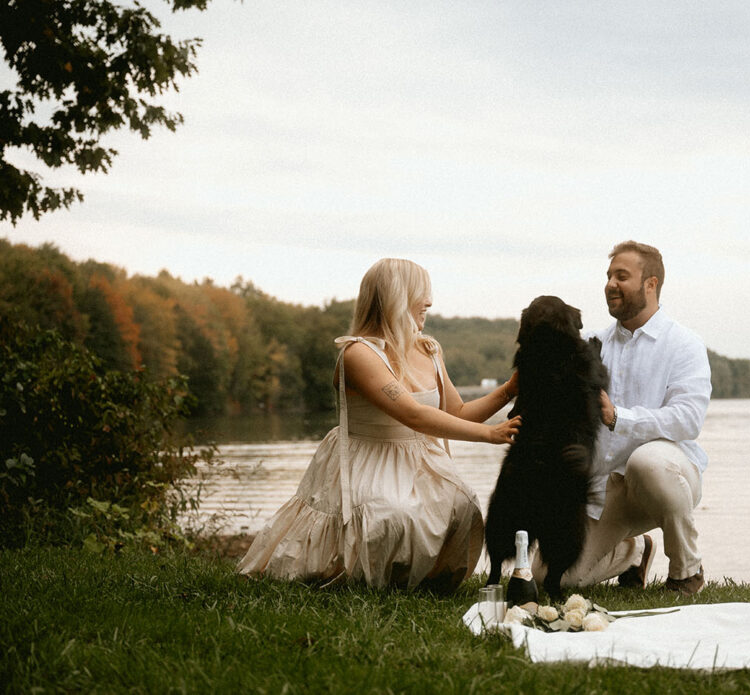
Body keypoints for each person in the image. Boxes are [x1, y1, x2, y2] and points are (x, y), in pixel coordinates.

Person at [237, 258, 521, 592]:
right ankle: (367, 581)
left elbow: (457, 412)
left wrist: (511, 388)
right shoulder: (357, 354)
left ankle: (424, 584)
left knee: (464, 504)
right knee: (392, 512)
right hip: (370, 457)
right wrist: (489, 434)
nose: (429, 301)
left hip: (420, 460)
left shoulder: (428, 349)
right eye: (422, 292)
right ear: (396, 296)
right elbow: (412, 414)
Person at [543, 240, 711, 595]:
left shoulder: (684, 344)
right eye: (608, 276)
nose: (610, 284)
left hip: (664, 478)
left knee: (646, 461)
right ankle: (633, 553)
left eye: (622, 276)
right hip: (604, 488)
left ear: (650, 284)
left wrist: (619, 417)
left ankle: (686, 572)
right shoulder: (590, 343)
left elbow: (688, 420)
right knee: (551, 579)